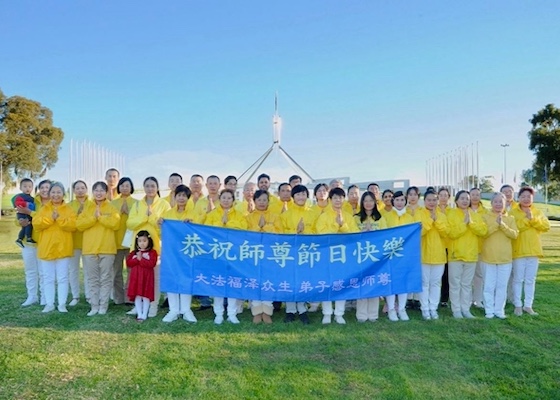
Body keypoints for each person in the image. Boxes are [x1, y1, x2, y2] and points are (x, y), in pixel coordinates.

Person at [126, 177, 171, 317]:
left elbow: (165, 228)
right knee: (136, 277)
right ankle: (137, 305)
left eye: (153, 186)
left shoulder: (164, 204)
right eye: (147, 186)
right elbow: (130, 223)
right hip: (138, 247)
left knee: (154, 279)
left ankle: (153, 305)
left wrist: (151, 218)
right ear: (144, 187)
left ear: (157, 188)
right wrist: (144, 218)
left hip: (155, 247)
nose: (150, 189)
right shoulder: (138, 205)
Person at [203, 188, 248, 324]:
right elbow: (207, 231)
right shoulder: (212, 214)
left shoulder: (239, 214)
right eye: (224, 198)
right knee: (218, 283)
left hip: (233, 253)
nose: (226, 200)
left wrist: (227, 223)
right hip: (217, 253)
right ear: (219, 199)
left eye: (229, 198)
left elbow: (243, 228)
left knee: (233, 283)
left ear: (233, 200)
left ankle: (232, 313)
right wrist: (220, 223)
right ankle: (218, 313)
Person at [315, 187, 359, 324]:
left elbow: (355, 234)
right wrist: (336, 225)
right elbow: (321, 234)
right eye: (335, 198)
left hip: (343, 255)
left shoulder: (349, 216)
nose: (338, 200)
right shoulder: (323, 216)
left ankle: (339, 313)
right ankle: (327, 313)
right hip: (327, 255)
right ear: (330, 200)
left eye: (340, 197)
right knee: (327, 283)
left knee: (341, 283)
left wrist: (343, 225)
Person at [76, 181, 120, 316]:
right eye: (96, 190)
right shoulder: (87, 207)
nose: (99, 193)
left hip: (107, 248)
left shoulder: (111, 208)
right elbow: (79, 224)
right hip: (89, 249)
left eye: (102, 190)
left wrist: (100, 218)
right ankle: (94, 306)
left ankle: (103, 305)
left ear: (106, 192)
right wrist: (93, 219)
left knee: (106, 278)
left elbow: (115, 224)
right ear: (92, 192)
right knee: (92, 279)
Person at [33, 182, 76, 313]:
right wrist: (51, 219)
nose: (56, 195)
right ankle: (49, 303)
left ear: (63, 194)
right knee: (48, 277)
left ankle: (62, 304)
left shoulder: (69, 209)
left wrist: (61, 220)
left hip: (63, 248)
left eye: (58, 192)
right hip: (47, 247)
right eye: (53, 192)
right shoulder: (44, 209)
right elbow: (36, 224)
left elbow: (73, 225)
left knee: (63, 278)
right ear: (49, 193)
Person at [280, 185, 319, 324]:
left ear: (307, 196)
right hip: (290, 253)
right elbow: (281, 234)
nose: (301, 197)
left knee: (303, 280)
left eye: (303, 194)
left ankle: (302, 310)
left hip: (306, 252)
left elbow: (318, 233)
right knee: (290, 281)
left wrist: (304, 233)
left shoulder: (313, 213)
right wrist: (295, 233)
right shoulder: (286, 214)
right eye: (298, 195)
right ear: (293, 197)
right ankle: (290, 310)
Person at [159, 185, 198, 323]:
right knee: (172, 279)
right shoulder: (168, 214)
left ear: (188, 198)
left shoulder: (194, 213)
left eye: (184, 196)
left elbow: (199, 233)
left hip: (188, 253)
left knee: (186, 279)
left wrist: (192, 225)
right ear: (174, 197)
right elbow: (162, 235)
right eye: (179, 195)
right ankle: (173, 310)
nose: (181, 198)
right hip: (171, 253)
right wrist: (160, 226)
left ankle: (186, 310)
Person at [447, 190, 487, 319]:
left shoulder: (474, 215)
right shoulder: (451, 214)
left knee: (466, 284)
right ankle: (456, 310)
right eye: (462, 198)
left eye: (467, 198)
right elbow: (451, 233)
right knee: (455, 284)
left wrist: (471, 224)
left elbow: (483, 231)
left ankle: (465, 309)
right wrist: (464, 224)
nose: (465, 201)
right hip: (455, 255)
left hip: (471, 255)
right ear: (456, 201)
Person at [511, 186, 550, 316]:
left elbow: (545, 226)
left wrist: (533, 218)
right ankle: (517, 305)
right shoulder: (513, 212)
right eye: (523, 196)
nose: (526, 199)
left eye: (529, 196)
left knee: (530, 280)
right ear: (519, 198)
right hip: (519, 250)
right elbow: (515, 228)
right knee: (517, 279)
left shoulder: (537, 212)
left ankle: (528, 305)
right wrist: (527, 219)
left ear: (532, 198)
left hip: (533, 251)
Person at [481, 193, 518, 319]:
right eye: (495, 202)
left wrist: (503, 225)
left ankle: (499, 310)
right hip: (489, 257)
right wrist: (496, 225)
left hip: (505, 258)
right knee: (489, 286)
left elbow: (514, 234)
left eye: (501, 202)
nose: (498, 204)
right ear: (491, 203)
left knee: (501, 286)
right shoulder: (485, 217)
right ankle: (489, 310)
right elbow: (483, 233)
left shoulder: (510, 218)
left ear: (505, 204)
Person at [246, 190, 281, 324]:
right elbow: (246, 234)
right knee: (255, 282)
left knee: (268, 282)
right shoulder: (248, 217)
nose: (262, 202)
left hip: (270, 254)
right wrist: (257, 227)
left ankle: (267, 311)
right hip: (254, 254)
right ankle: (256, 311)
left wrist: (265, 227)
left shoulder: (275, 216)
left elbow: (280, 233)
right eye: (259, 200)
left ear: (268, 201)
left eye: (264, 200)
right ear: (254, 201)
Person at [17, 179, 51, 307]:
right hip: (29, 242)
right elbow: (20, 214)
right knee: (30, 270)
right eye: (42, 188)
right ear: (38, 189)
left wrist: (31, 213)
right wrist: (20, 222)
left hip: (44, 242)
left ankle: (44, 297)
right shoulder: (31, 200)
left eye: (47, 188)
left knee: (44, 272)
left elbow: (46, 220)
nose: (44, 190)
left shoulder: (53, 204)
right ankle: (32, 296)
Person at [354, 191, 387, 322]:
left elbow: (385, 236)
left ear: (375, 202)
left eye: (371, 201)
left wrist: (374, 233)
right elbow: (350, 235)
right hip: (361, 255)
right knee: (362, 284)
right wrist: (362, 233)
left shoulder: (380, 218)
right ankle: (361, 315)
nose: (368, 203)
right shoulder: (356, 218)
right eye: (365, 201)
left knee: (373, 283)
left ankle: (373, 315)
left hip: (375, 256)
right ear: (362, 203)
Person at [384, 191, 416, 321]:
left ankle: (402, 309)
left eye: (402, 200)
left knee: (403, 282)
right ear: (393, 202)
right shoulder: (386, 216)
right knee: (391, 282)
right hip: (390, 255)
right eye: (397, 200)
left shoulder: (410, 218)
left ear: (405, 201)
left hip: (405, 255)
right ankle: (391, 309)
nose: (399, 202)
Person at [417, 189, 449, 320]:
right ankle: (424, 308)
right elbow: (420, 233)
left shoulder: (442, 215)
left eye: (434, 200)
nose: (431, 202)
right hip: (424, 255)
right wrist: (430, 221)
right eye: (429, 200)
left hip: (439, 255)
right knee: (424, 283)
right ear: (424, 201)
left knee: (436, 283)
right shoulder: (419, 214)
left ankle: (433, 308)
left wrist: (437, 222)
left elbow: (446, 233)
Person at [111, 177, 137, 305]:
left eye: (127, 185)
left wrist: (129, 213)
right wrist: (120, 213)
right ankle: (118, 297)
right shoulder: (113, 203)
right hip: (116, 241)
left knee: (132, 271)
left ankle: (129, 297)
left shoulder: (137, 203)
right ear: (119, 187)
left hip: (131, 242)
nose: (125, 188)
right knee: (116, 271)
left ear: (131, 187)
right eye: (122, 185)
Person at [67, 180, 91, 306]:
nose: (80, 190)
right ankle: (75, 296)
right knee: (73, 270)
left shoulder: (92, 204)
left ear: (86, 189)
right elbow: (69, 222)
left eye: (83, 187)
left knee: (89, 270)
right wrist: (79, 218)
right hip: (73, 241)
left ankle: (89, 295)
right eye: (77, 188)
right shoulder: (69, 205)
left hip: (88, 241)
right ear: (74, 190)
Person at [126, 230, 158, 322]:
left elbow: (151, 263)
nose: (142, 243)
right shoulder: (133, 253)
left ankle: (144, 314)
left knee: (145, 295)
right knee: (137, 295)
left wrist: (141, 259)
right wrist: (137, 259)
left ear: (149, 241)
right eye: (140, 241)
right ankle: (139, 313)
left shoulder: (152, 252)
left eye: (144, 241)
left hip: (146, 277)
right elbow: (129, 263)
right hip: (136, 278)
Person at [469, 187, 488, 309]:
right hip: (467, 247)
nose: (475, 197)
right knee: (467, 277)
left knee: (479, 275)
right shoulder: (464, 209)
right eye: (473, 194)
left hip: (480, 247)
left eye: (477, 194)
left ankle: (478, 299)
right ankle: (468, 299)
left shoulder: (485, 212)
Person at [437, 187, 452, 308]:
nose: (443, 197)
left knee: (446, 274)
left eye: (445, 195)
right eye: (441, 195)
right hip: (437, 245)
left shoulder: (452, 211)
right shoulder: (433, 210)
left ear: (449, 197)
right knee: (437, 275)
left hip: (449, 246)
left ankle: (444, 298)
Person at [12, 178, 36, 248]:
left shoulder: (32, 198)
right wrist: (26, 204)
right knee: (28, 225)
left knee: (25, 227)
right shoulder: (20, 196)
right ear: (20, 188)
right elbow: (17, 203)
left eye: (29, 186)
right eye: (25, 186)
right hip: (22, 213)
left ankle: (20, 239)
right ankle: (28, 238)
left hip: (27, 213)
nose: (27, 188)